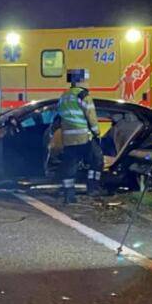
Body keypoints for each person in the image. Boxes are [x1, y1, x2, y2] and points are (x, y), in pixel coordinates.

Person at [58, 69, 100, 204]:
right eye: (86, 80)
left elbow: (59, 115)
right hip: (82, 137)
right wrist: (96, 133)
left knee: (70, 165)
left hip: (68, 138)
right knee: (96, 159)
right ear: (80, 81)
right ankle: (92, 188)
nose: (88, 83)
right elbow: (91, 117)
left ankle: (69, 194)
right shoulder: (84, 96)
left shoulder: (64, 96)